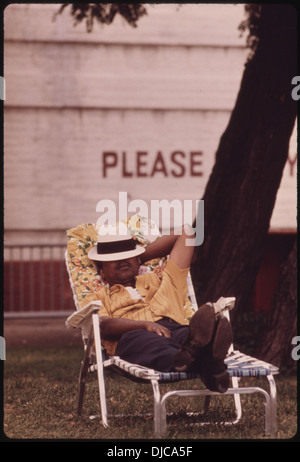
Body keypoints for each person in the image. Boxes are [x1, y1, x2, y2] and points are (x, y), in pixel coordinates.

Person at [88, 223, 233, 393]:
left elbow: (186, 233)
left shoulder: (164, 281)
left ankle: (194, 355)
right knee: (152, 343)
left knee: (190, 335)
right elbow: (103, 327)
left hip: (174, 331)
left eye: (128, 255)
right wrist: (144, 325)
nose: (122, 260)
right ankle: (209, 367)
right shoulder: (98, 297)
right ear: (102, 273)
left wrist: (136, 258)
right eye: (114, 258)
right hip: (132, 338)